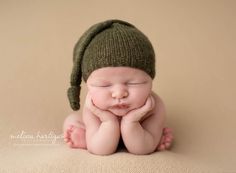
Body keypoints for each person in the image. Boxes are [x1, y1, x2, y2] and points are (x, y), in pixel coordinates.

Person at [63, 19, 173, 155]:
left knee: (148, 141)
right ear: (88, 84)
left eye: (134, 83)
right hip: (100, 133)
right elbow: (101, 151)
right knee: (72, 120)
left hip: (141, 132)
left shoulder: (154, 108)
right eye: (104, 85)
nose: (119, 93)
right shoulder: (92, 107)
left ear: (150, 80)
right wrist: (108, 121)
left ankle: (151, 138)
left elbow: (142, 150)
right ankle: (89, 137)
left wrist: (131, 122)